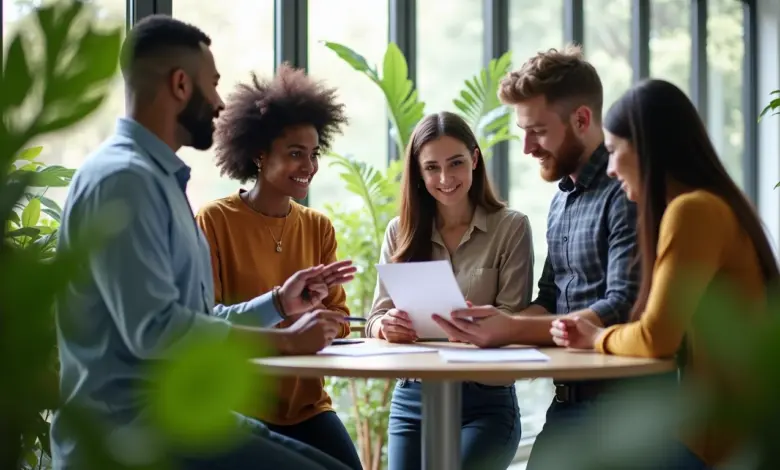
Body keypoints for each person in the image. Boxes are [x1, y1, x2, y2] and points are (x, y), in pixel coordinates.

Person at [51, 15, 355, 470]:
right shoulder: (124, 181)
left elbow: (195, 320)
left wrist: (277, 302)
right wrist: (284, 343)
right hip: (134, 436)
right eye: (211, 84)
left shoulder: (160, 181)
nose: (218, 102)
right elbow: (157, 331)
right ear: (179, 84)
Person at [548, 79, 780, 469]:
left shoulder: (692, 211)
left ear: (645, 148)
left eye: (612, 152)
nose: (609, 169)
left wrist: (596, 336)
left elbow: (656, 337)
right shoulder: (715, 204)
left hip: (721, 442)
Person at [430, 45, 641, 469]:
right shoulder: (561, 201)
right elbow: (550, 295)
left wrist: (511, 327)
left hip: (624, 411)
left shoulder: (626, 193)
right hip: (568, 404)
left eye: (538, 131)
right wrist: (491, 323)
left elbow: (622, 305)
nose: (526, 147)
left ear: (582, 120)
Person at [194, 65, 361, 470]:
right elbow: (204, 321)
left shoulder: (317, 226)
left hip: (307, 405)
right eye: (295, 153)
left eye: (314, 153)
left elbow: (339, 319)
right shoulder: (214, 221)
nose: (309, 165)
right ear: (259, 154)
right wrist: (288, 320)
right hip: (239, 405)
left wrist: (318, 313)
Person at [365, 111, 534, 470]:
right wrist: (385, 326)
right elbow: (375, 317)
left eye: (456, 163)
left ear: (474, 159)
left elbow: (515, 324)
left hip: (485, 402)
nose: (445, 178)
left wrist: (488, 327)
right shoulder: (400, 231)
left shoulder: (511, 228)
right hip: (413, 400)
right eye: (431, 168)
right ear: (419, 173)